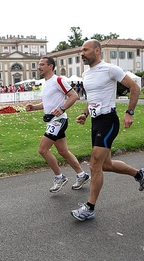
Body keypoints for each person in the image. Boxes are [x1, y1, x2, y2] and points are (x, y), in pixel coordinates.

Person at [71, 39, 144, 221]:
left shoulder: (110, 69)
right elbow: (92, 98)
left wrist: (129, 112)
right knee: (106, 165)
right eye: (81, 50)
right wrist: (85, 114)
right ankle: (140, 174)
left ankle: (89, 208)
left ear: (97, 51)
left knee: (94, 165)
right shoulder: (86, 73)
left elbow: (134, 87)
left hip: (108, 121)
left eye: (85, 50)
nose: (82, 53)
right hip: (96, 121)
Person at [26, 56, 90, 193]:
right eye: (39, 64)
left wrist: (62, 109)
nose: (39, 67)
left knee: (42, 150)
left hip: (58, 121)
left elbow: (74, 96)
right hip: (52, 121)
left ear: (50, 66)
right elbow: (48, 103)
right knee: (63, 151)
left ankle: (59, 177)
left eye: (42, 64)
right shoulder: (46, 83)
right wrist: (34, 107)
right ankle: (82, 175)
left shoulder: (58, 80)